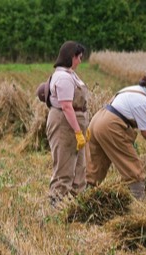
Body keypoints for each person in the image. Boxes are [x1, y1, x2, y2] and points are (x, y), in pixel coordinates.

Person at [86, 68, 146, 199]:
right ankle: (138, 203)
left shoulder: (132, 90)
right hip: (111, 126)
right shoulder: (144, 102)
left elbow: (138, 113)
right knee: (133, 168)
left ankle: (84, 197)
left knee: (95, 166)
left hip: (97, 121)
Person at [46, 41, 89, 206]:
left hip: (74, 125)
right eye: (79, 58)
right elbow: (66, 106)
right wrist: (78, 131)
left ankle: (76, 207)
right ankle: (55, 206)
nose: (80, 61)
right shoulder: (62, 77)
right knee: (64, 168)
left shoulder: (70, 74)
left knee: (79, 168)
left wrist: (86, 127)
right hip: (64, 125)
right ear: (71, 57)